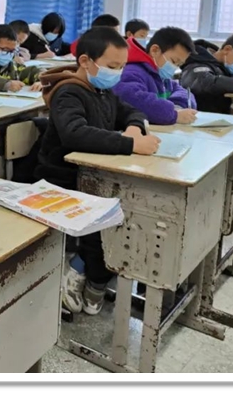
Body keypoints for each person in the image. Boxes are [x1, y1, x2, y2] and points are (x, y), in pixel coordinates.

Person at [35, 27, 158, 316]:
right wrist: (130, 144)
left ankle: (94, 275)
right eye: (112, 66)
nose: (117, 73)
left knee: (129, 213)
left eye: (122, 67)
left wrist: (133, 127)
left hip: (93, 175)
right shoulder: (68, 92)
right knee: (107, 223)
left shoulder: (102, 90)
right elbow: (75, 134)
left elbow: (133, 111)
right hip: (63, 179)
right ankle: (83, 271)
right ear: (86, 61)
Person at [113, 28, 198, 125]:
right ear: (155, 50)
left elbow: (184, 93)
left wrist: (177, 107)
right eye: (174, 61)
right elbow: (135, 100)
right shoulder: (132, 72)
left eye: (179, 64)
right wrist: (173, 114)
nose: (174, 67)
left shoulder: (161, 76)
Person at [180, 30, 233, 114]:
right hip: (199, 116)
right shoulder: (197, 62)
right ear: (227, 49)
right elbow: (205, 82)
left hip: (218, 115)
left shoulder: (223, 65)